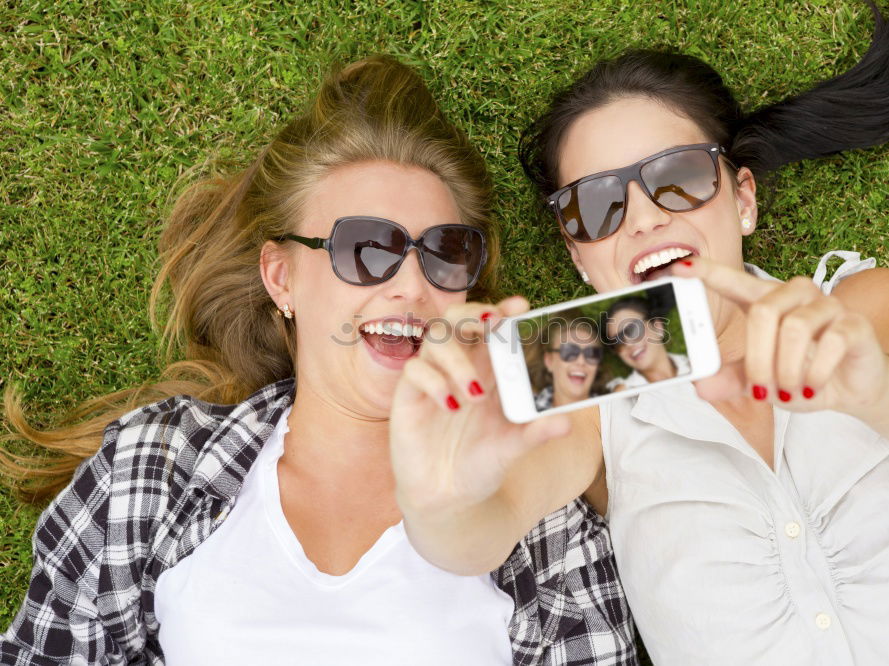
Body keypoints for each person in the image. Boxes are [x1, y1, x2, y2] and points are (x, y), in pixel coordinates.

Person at [389, 1, 889, 664]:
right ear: (580, 258)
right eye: (598, 205)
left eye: (676, 177)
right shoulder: (591, 404)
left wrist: (879, 385)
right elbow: (482, 526)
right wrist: (439, 500)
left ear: (742, 199)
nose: (644, 218)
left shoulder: (862, 304)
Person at [0, 56, 637, 665]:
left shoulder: (535, 499)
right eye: (364, 248)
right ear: (281, 278)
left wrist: (532, 371)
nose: (412, 285)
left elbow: (688, 332)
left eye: (445, 252)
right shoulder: (156, 466)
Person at [602, 297, 690, 391]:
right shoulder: (624, 393)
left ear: (657, 326)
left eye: (633, 330)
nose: (628, 344)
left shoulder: (698, 364)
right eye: (617, 341)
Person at [529, 314, 608, 410]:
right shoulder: (523, 408)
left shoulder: (612, 406)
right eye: (569, 352)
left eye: (591, 354)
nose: (581, 361)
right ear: (549, 361)